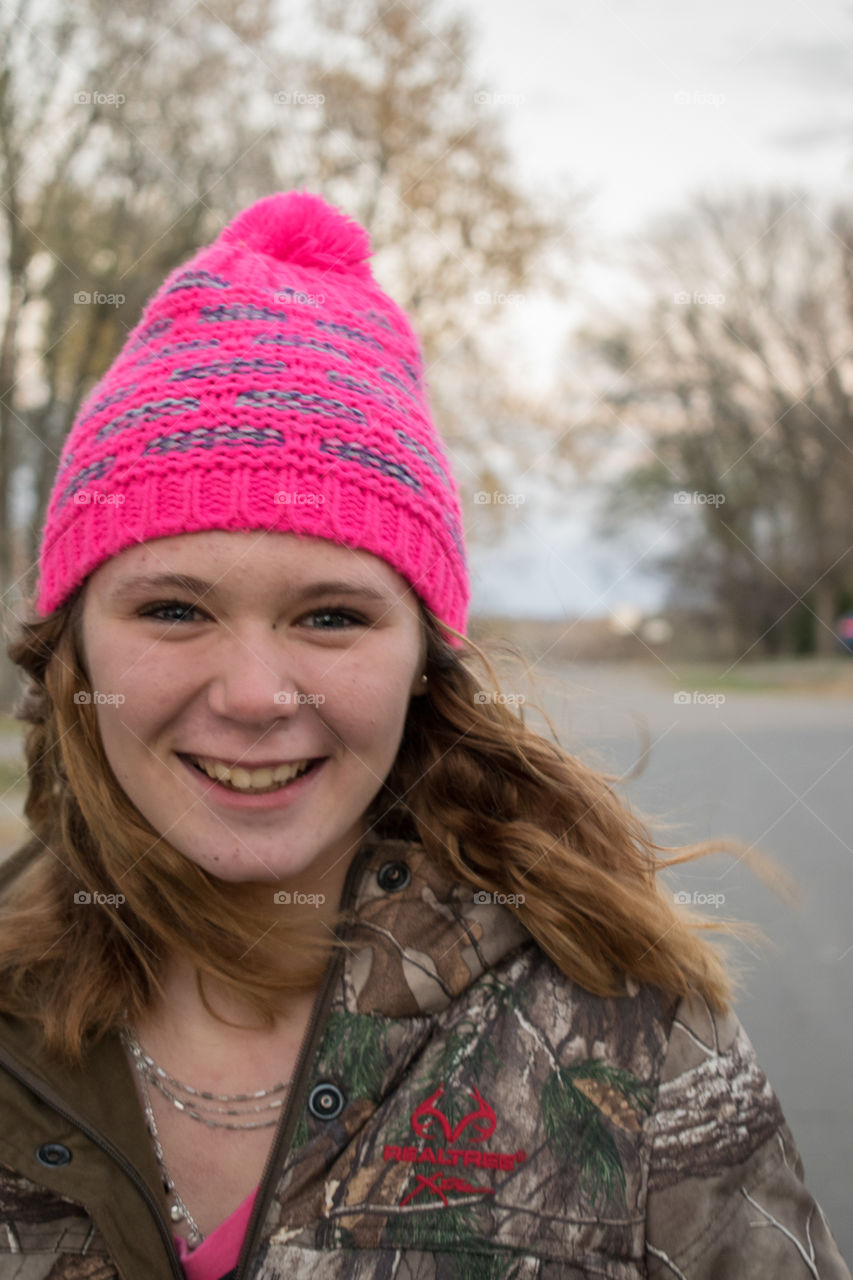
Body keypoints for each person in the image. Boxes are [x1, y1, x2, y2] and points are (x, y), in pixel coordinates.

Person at [0, 189, 848, 1280]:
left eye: (331, 616)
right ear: (73, 649)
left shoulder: (627, 1034)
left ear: (422, 662)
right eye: (174, 607)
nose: (256, 692)